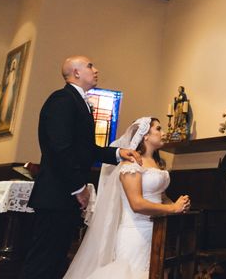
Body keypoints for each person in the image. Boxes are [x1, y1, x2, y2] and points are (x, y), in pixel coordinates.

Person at [21, 56, 142, 279]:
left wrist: (117, 153)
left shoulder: (78, 102)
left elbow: (85, 149)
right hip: (56, 194)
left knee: (56, 260)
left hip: (63, 195)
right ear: (76, 73)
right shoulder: (62, 99)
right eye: (89, 66)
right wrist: (79, 187)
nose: (95, 70)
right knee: (42, 261)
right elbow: (61, 148)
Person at [63, 117, 191, 278]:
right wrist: (172, 208)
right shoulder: (131, 164)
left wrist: (179, 205)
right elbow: (136, 204)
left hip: (157, 231)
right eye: (158, 129)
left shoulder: (157, 163)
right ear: (145, 135)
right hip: (135, 233)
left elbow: (161, 196)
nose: (163, 133)